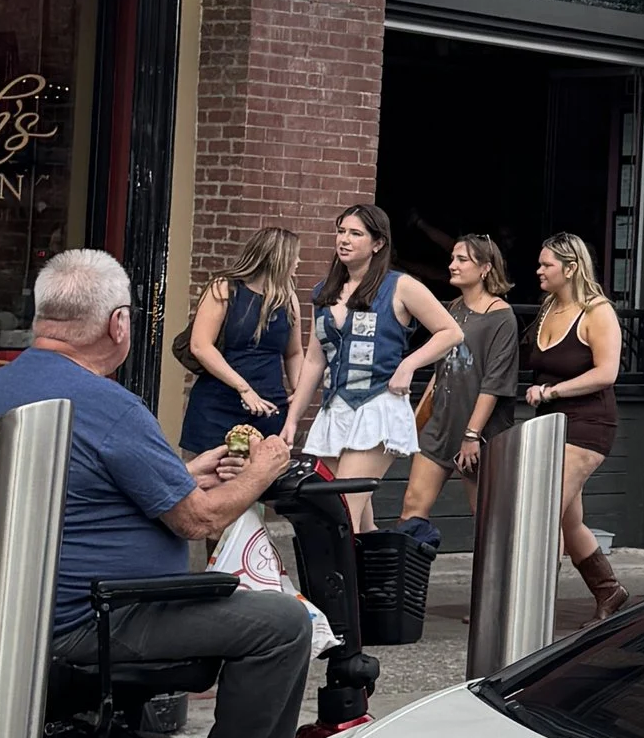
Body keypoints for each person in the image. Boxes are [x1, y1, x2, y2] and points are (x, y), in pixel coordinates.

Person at [0, 249, 311, 738]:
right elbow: (199, 521)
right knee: (283, 624)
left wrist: (182, 474)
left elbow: (80, 490)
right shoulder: (109, 405)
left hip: (13, 614)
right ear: (117, 324)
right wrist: (262, 468)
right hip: (94, 621)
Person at [292, 202, 462, 533]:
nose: (344, 239)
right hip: (334, 409)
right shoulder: (324, 292)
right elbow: (314, 359)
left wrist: (408, 365)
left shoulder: (399, 285)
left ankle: (341, 585)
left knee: (339, 513)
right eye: (341, 231)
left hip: (376, 405)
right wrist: (292, 418)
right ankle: (378, 582)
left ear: (377, 243)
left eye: (355, 233)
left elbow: (451, 332)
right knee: (355, 518)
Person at [521, 230, 629, 621]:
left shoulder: (597, 311)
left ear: (570, 268)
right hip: (548, 424)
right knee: (569, 519)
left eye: (546, 264)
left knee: (543, 509)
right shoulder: (548, 307)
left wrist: (552, 392)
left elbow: (607, 372)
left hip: (588, 423)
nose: (539, 270)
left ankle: (530, 605)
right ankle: (610, 590)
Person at [401, 234, 520, 533]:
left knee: (485, 518)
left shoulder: (502, 317)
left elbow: (494, 382)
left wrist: (471, 435)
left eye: (462, 259)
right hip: (441, 424)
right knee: (412, 505)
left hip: (480, 431)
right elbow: (441, 369)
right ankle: (405, 577)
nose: (452, 265)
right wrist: (417, 419)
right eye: (453, 258)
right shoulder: (453, 308)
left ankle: (494, 580)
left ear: (485, 268)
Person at [179, 227, 311, 457]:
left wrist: (299, 391)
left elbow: (294, 352)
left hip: (268, 410)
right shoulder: (225, 288)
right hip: (221, 408)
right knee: (217, 476)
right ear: (277, 258)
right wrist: (244, 389)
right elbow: (201, 346)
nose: (298, 261)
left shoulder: (288, 298)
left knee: (259, 480)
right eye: (294, 255)